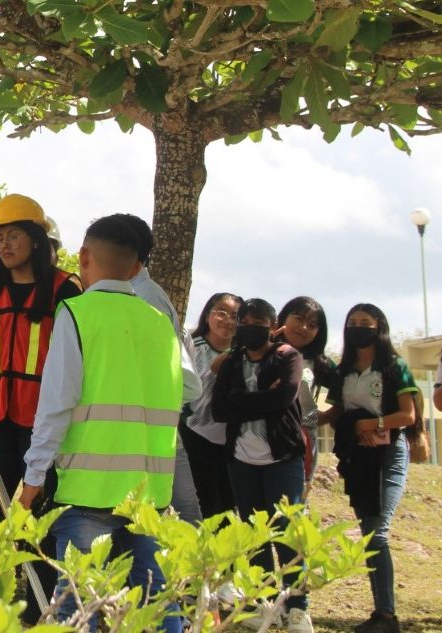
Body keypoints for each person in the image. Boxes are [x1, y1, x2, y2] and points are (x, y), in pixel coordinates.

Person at [18, 214, 183, 631]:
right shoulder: (161, 323)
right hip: (149, 493)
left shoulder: (76, 312)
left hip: (87, 492)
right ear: (134, 267)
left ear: (84, 256)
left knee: (78, 607)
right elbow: (188, 392)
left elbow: (56, 405)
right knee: (159, 604)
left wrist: (33, 479)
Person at [0, 194, 81, 622]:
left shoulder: (66, 289)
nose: (5, 245)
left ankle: (43, 614)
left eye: (15, 236)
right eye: (0, 238)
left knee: (41, 522)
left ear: (39, 241)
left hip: (46, 426)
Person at [212, 298, 312, 632]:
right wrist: (256, 401)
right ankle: (263, 602)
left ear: (272, 326)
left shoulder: (288, 357)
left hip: (282, 458)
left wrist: (240, 400)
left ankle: (297, 608)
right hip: (242, 460)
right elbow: (219, 410)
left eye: (258, 321)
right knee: (255, 533)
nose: (249, 326)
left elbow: (283, 399)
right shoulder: (232, 362)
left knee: (286, 533)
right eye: (245, 320)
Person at [325, 304, 417, 633]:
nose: (358, 327)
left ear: (379, 327)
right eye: (352, 323)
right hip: (358, 460)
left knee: (377, 533)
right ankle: (381, 613)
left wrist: (372, 422)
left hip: (388, 455)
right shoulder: (344, 370)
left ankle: (387, 615)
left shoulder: (395, 366)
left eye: (365, 322)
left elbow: (408, 416)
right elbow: (337, 409)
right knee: (368, 533)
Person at [118, 213, 203, 525]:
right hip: (149, 424)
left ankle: (193, 573)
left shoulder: (145, 298)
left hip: (148, 428)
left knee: (176, 512)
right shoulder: (135, 293)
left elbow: (182, 376)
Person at [180, 292, 241, 518]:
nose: (227, 320)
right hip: (194, 435)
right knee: (204, 506)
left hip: (231, 441)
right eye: (221, 312)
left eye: (235, 316)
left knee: (228, 509)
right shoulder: (192, 347)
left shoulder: (247, 354)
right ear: (208, 315)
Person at [275, 296, 334, 499]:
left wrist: (322, 418)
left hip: (302, 443)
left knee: (293, 507)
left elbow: (347, 390)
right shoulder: (261, 349)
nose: (304, 327)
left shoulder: (319, 363)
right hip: (255, 440)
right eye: (299, 319)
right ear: (284, 317)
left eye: (312, 325)